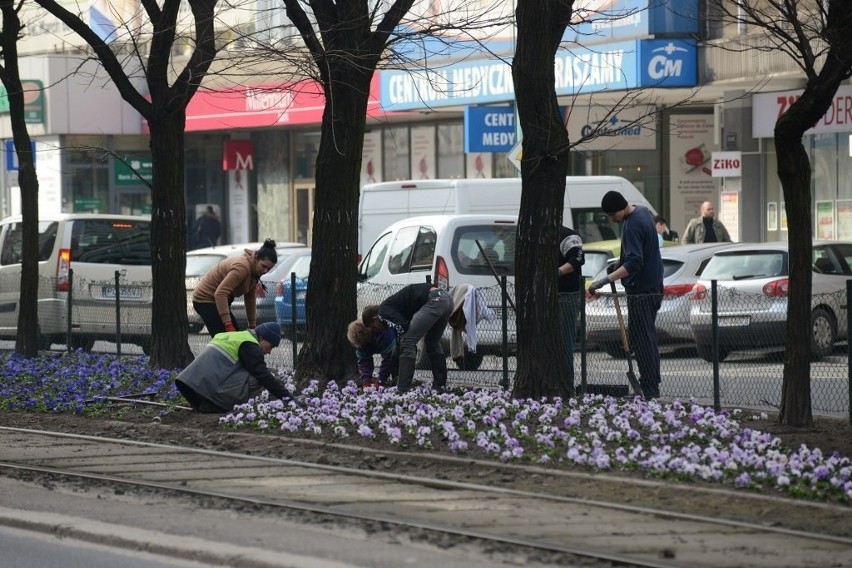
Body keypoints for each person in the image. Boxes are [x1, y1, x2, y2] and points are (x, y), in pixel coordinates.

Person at [588, 191, 664, 399]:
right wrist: (619, 263)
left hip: (642, 291)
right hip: (653, 287)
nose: (611, 219)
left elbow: (635, 262)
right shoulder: (643, 213)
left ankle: (649, 388)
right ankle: (651, 385)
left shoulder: (632, 225)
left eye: (612, 215)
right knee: (646, 338)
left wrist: (606, 279)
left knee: (642, 340)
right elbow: (638, 254)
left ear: (620, 209)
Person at [355, 283, 453, 394]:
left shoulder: (383, 312)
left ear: (375, 319)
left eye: (374, 327)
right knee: (432, 342)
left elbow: (404, 326)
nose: (377, 331)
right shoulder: (394, 308)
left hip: (435, 300)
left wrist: (400, 343)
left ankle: (402, 389)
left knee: (408, 342)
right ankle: (439, 386)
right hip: (447, 299)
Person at [175, 322, 295, 413]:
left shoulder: (236, 336)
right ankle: (217, 404)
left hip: (190, 386)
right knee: (256, 378)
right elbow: (264, 376)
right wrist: (288, 398)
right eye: (270, 346)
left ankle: (211, 401)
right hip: (205, 390)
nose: (269, 352)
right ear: (262, 338)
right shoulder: (250, 345)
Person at [192, 239, 278, 337]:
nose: (265, 271)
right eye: (263, 266)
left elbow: (250, 299)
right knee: (225, 340)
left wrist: (252, 326)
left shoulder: (254, 272)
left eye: (269, 269)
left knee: (235, 338)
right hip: (205, 300)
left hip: (218, 300)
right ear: (256, 258)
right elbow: (220, 293)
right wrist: (228, 324)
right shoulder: (242, 268)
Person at [557, 225, 584, 386]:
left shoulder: (567, 236)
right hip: (550, 296)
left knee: (564, 340)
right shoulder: (539, 236)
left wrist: (557, 273)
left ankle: (566, 383)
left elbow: (578, 259)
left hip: (567, 296)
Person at [347, 318, 402, 389]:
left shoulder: (383, 332)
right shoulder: (360, 342)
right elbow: (364, 361)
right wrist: (366, 381)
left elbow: (388, 359)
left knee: (396, 359)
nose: (364, 346)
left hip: (398, 342)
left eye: (365, 344)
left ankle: (398, 380)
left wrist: (381, 380)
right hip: (381, 344)